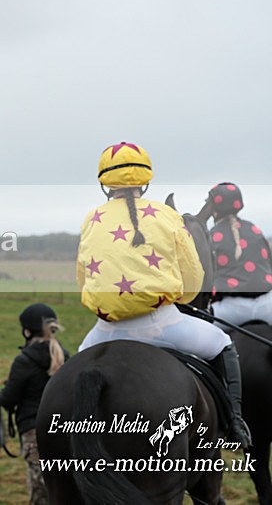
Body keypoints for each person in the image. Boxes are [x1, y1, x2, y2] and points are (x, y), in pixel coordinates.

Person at [76, 142, 251, 448]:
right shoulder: (165, 215)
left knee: (71, 370)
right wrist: (181, 298)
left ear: (104, 183)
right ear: (146, 181)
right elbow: (192, 275)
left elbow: (83, 277)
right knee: (223, 344)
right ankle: (235, 424)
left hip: (106, 330)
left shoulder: (92, 219)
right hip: (160, 322)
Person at [0, 303, 69, 505]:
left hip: (35, 432)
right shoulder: (64, 355)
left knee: (40, 492)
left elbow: (9, 398)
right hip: (64, 430)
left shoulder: (24, 360)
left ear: (27, 331)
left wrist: (0, 395)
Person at [205, 182, 272, 327]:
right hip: (268, 305)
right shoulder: (255, 230)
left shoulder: (212, 236)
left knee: (198, 337)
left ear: (213, 208)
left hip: (232, 310)